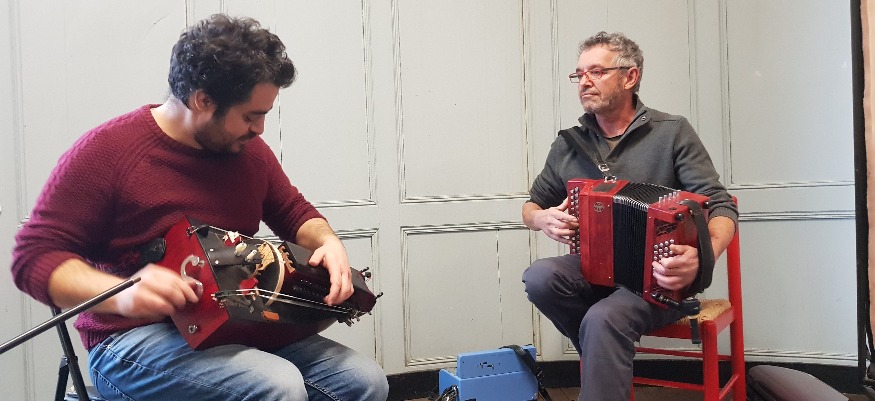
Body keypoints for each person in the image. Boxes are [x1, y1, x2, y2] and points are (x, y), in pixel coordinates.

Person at [10, 14, 388, 401]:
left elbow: (294, 212)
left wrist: (328, 242)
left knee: (363, 381)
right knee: (277, 386)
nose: (260, 129)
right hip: (130, 340)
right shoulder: (109, 152)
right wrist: (122, 294)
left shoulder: (249, 153)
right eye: (250, 116)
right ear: (202, 100)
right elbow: (33, 257)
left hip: (230, 322)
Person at [521, 31, 738, 401]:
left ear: (630, 77)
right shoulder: (569, 143)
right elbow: (532, 206)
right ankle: (604, 354)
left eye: (596, 71)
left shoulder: (672, 133)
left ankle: (603, 351)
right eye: (579, 74)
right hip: (593, 272)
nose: (584, 81)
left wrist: (704, 256)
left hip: (659, 278)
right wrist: (541, 219)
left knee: (603, 320)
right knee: (540, 278)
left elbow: (721, 205)